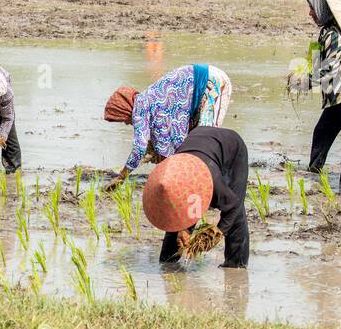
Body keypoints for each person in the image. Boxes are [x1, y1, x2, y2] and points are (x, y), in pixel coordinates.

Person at [105, 63, 233, 188]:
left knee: (207, 139)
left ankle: (217, 185)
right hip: (206, 79)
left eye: (123, 119)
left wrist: (121, 177)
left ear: (125, 109)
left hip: (211, 82)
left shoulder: (139, 110)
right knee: (199, 141)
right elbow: (169, 137)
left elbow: (139, 148)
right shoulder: (148, 100)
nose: (127, 123)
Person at [144, 126, 250, 269]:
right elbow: (177, 209)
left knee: (236, 214)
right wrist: (183, 229)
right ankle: (168, 262)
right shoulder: (170, 174)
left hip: (232, 148)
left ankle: (235, 264)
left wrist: (216, 233)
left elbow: (233, 206)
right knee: (175, 221)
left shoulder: (212, 180)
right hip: (198, 143)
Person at [298, 0, 341, 182]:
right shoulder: (325, 33)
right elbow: (314, 62)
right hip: (335, 96)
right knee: (322, 133)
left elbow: (330, 69)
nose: (310, 13)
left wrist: (306, 82)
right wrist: (303, 71)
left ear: (323, 10)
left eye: (312, 9)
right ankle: (314, 172)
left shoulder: (333, 35)